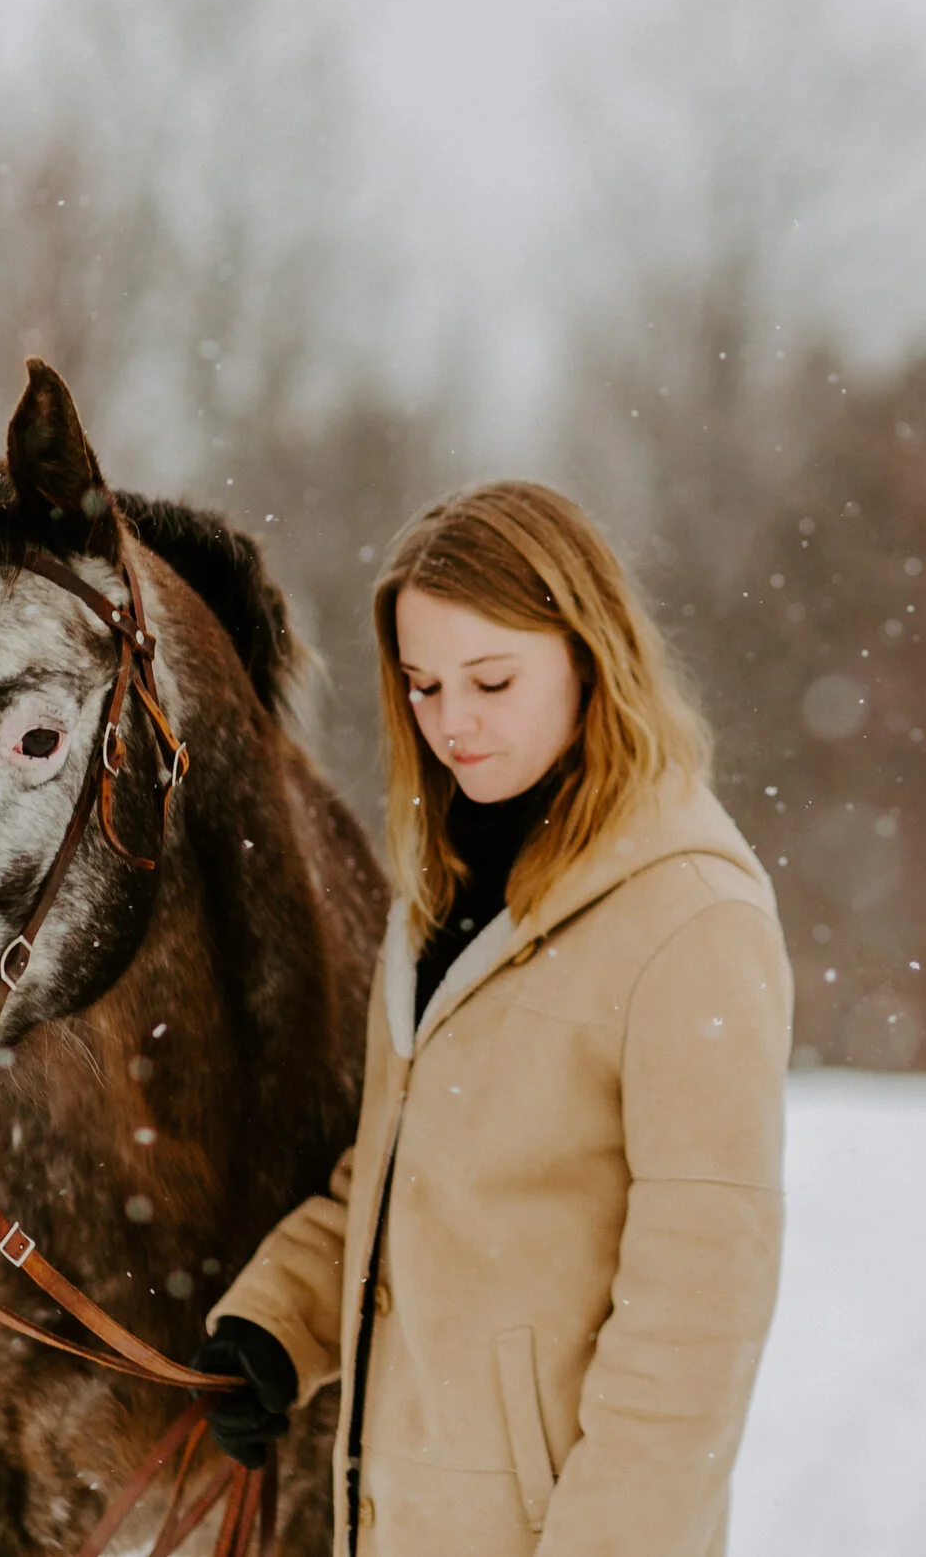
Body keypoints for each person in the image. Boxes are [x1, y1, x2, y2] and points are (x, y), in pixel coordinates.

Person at [191, 481, 792, 1556]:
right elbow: (403, 1174)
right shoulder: (447, 894)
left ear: (589, 655)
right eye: (422, 685)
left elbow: (697, 1324)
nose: (451, 722)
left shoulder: (693, 922)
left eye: (492, 679)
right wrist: (279, 1322)